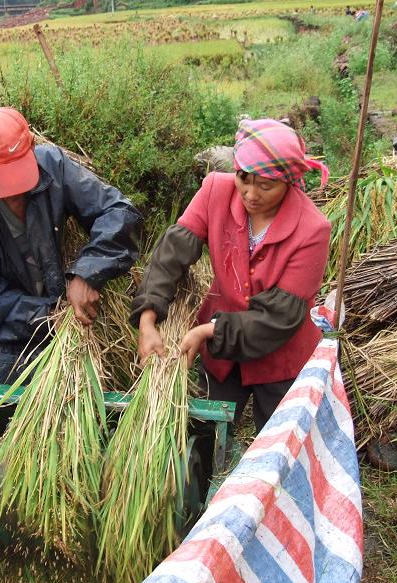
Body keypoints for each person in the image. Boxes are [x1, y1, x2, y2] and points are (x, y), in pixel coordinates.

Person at [131, 119, 331, 432]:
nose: (250, 194)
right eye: (243, 178)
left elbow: (278, 318)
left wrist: (206, 332)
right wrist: (147, 319)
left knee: (280, 447)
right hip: (222, 358)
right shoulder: (215, 191)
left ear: (290, 181)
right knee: (204, 435)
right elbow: (172, 254)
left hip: (281, 357)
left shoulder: (312, 229)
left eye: (266, 185)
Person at [0, 107, 142, 406]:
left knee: (93, 409)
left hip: (68, 317)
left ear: (32, 146)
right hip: (8, 341)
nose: (12, 192)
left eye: (17, 175)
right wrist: (50, 316)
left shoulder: (53, 166)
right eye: (1, 180)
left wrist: (87, 273)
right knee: (2, 425)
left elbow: (119, 212)